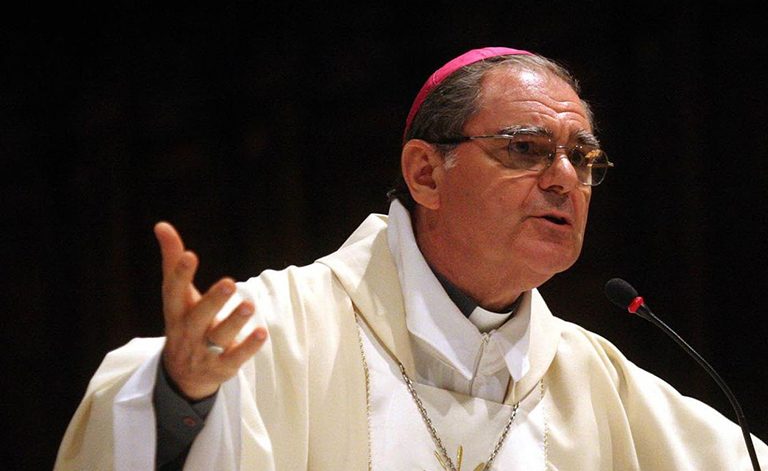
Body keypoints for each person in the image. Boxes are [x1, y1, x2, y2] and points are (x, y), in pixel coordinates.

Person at [55, 47, 768, 470]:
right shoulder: (278, 329)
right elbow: (128, 421)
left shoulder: (593, 379)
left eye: (582, 159)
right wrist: (181, 393)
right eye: (525, 148)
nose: (563, 178)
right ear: (426, 173)